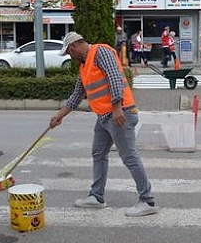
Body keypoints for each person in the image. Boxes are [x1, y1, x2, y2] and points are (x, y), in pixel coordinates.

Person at [50, 32, 157, 217]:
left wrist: (117, 108)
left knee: (129, 157)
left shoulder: (101, 52)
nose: (69, 57)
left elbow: (115, 78)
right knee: (98, 153)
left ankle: (147, 200)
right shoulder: (84, 67)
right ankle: (97, 197)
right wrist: (59, 116)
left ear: (74, 46)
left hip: (119, 114)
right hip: (104, 117)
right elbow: (76, 96)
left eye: (68, 53)